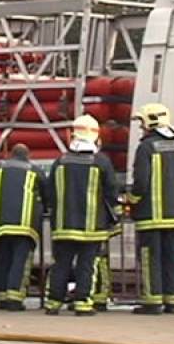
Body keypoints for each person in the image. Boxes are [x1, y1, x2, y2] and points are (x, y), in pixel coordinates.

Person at [45, 115, 121, 316]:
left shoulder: (60, 161)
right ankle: (82, 302)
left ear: (72, 135)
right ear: (96, 137)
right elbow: (111, 193)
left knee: (61, 264)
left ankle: (53, 302)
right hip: (92, 228)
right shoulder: (101, 162)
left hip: (63, 226)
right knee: (87, 265)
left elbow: (50, 192)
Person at [128, 103, 174, 315]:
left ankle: (153, 301)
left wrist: (132, 200)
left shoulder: (146, 148)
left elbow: (140, 181)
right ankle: (172, 301)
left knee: (151, 258)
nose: (141, 128)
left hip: (151, 216)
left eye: (142, 123)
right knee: (172, 258)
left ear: (150, 122)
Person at [0, 144, 46, 312]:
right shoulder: (34, 170)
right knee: (20, 262)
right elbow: (46, 192)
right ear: (27, 155)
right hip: (25, 225)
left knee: (4, 261)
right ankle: (14, 299)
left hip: (1, 225)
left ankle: (2, 297)